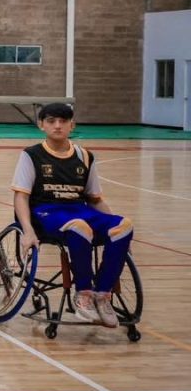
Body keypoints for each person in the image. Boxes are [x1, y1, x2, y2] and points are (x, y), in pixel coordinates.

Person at [12, 103, 132, 329]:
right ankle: (83, 294)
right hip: (45, 211)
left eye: (63, 121)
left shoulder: (85, 156)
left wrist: (117, 233)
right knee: (78, 226)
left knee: (123, 225)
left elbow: (95, 199)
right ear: (41, 125)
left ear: (71, 125)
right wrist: (27, 231)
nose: (57, 126)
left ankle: (103, 295)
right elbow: (20, 196)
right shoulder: (31, 155)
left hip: (79, 209)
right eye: (51, 121)